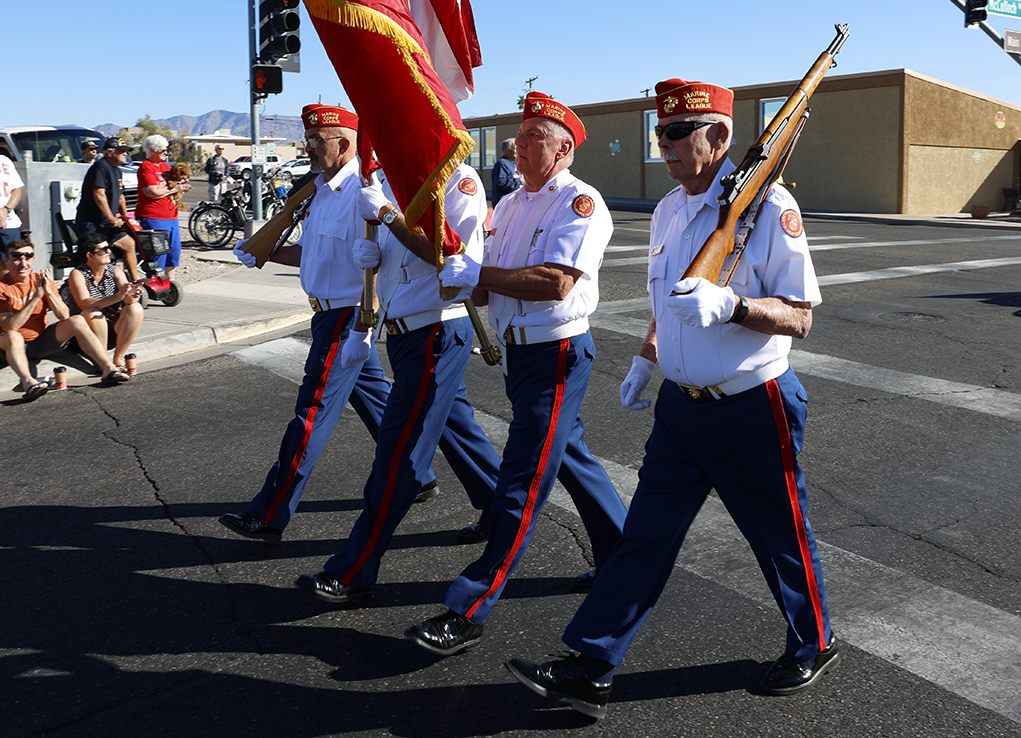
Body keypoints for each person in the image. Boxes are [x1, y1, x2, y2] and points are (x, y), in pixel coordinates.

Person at [505, 79, 837, 719]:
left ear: (720, 137)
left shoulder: (768, 210)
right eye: (661, 136)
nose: (667, 148)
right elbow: (670, 300)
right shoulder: (667, 211)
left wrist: (734, 305)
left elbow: (799, 317)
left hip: (752, 402)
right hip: (682, 409)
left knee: (779, 535)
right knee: (645, 538)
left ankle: (814, 640)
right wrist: (646, 356)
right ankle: (591, 664)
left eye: (679, 135)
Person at [401, 92, 628, 656]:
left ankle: (469, 605)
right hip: (521, 355)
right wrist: (458, 271)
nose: (518, 145)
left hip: (556, 356)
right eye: (519, 135)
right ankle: (629, 562)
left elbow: (555, 282)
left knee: (521, 482)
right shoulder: (510, 204)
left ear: (564, 148)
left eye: (533, 136)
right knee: (570, 457)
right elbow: (484, 284)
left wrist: (480, 272)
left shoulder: (579, 202)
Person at [217, 104, 438, 545]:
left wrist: (363, 323)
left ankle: (269, 513)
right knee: (374, 397)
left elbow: (377, 264)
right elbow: (315, 256)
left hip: (346, 316)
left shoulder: (364, 191)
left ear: (344, 142)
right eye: (309, 138)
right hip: (326, 314)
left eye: (318, 140)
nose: (310, 147)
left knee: (311, 412)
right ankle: (419, 475)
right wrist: (261, 252)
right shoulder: (318, 190)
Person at [294, 160, 506, 606]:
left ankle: (354, 569)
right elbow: (393, 264)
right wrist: (365, 313)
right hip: (403, 332)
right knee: (457, 428)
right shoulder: (391, 178)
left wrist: (388, 217)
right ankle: (501, 509)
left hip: (436, 329)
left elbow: (453, 257)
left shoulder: (458, 180)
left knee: (399, 451)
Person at [0, 239, 130, 401]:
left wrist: (48, 293)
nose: (23, 262)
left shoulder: (41, 281)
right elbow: (9, 326)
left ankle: (108, 368)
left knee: (77, 320)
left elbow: (64, 316)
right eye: (17, 257)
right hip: (8, 347)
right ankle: (28, 383)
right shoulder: (2, 286)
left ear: (33, 259)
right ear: (6, 260)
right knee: (14, 335)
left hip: (40, 342)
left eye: (28, 257)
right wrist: (35, 298)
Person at [59, 232, 144, 371]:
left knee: (135, 308)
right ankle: (103, 362)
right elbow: (84, 303)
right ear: (89, 255)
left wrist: (131, 295)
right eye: (103, 250)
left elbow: (127, 297)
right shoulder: (78, 274)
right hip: (86, 335)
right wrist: (117, 297)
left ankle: (118, 359)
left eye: (108, 248)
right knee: (92, 312)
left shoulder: (115, 270)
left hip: (111, 329)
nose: (108, 251)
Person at [75, 138, 141, 282]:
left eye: (126, 151)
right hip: (92, 222)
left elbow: (120, 196)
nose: (125, 154)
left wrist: (125, 217)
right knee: (97, 254)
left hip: (106, 223)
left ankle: (136, 282)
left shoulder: (117, 170)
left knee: (129, 243)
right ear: (110, 153)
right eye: (121, 151)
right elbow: (99, 193)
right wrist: (111, 218)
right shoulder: (100, 167)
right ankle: (91, 284)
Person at [135, 135, 191, 280]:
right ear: (152, 150)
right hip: (153, 216)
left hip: (171, 216)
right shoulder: (146, 167)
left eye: (166, 150)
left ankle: (170, 280)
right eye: (163, 150)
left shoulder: (166, 168)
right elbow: (153, 192)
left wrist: (182, 182)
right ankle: (155, 280)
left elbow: (176, 181)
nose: (166, 153)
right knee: (158, 251)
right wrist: (175, 189)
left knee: (174, 251)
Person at [1, 153, 24, 250]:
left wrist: (6, 210)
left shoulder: (4, 160)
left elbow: (16, 190)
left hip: (8, 225)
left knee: (11, 262)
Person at [491, 138, 519, 207]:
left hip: (513, 203)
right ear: (506, 149)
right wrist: (519, 181)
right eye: (515, 148)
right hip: (504, 204)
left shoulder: (513, 164)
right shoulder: (501, 164)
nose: (517, 151)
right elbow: (500, 183)